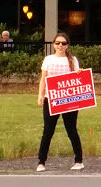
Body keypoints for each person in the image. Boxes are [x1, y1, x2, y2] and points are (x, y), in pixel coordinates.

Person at [36, 32, 84, 172]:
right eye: (57, 43)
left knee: (71, 130)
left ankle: (79, 160)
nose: (60, 46)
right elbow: (43, 79)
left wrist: (79, 73)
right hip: (51, 99)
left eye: (63, 43)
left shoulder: (72, 60)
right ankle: (41, 161)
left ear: (67, 45)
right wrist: (40, 95)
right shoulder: (48, 59)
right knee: (48, 131)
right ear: (53, 45)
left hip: (68, 99)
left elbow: (77, 78)